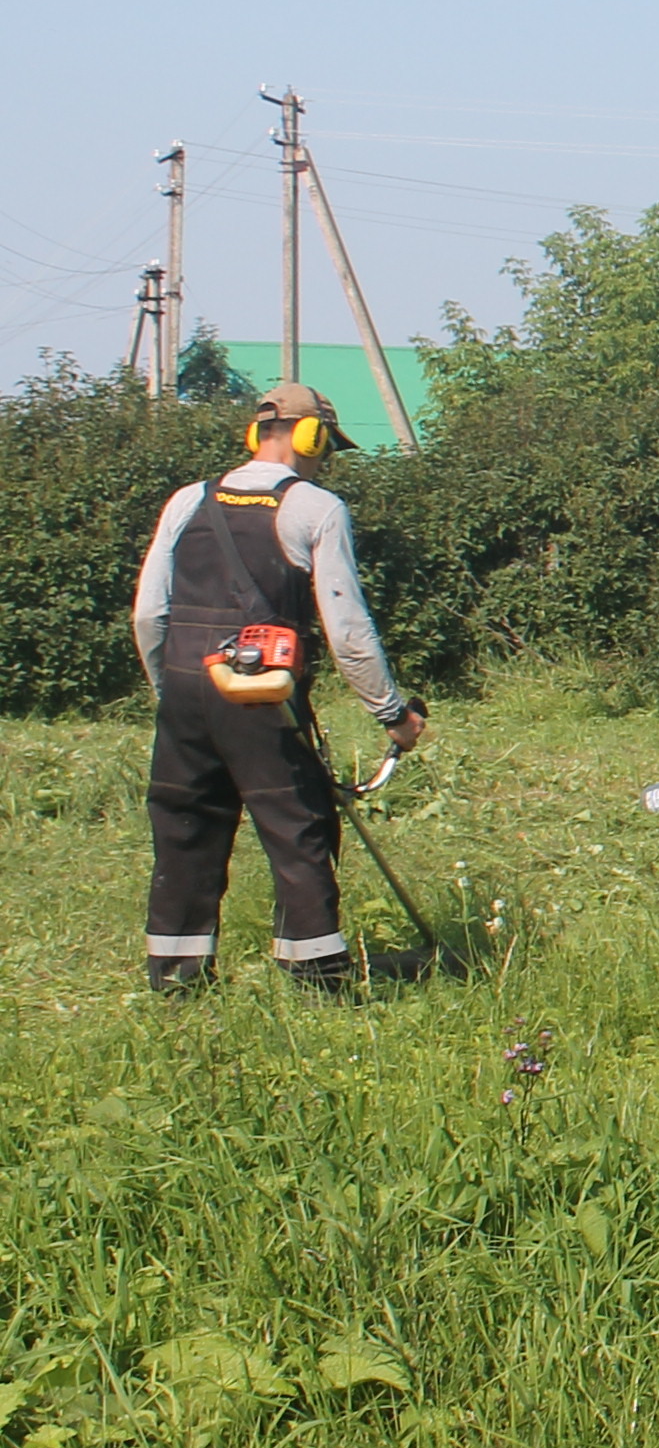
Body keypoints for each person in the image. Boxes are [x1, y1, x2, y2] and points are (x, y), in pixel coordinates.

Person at [132, 383, 428, 992]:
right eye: (326, 446)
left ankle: (176, 981)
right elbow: (347, 630)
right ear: (309, 435)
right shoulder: (315, 508)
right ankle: (315, 977)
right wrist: (392, 714)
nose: (324, 459)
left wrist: (175, 689)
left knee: (186, 828)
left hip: (185, 693)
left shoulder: (188, 500)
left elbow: (148, 616)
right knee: (301, 828)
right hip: (262, 696)